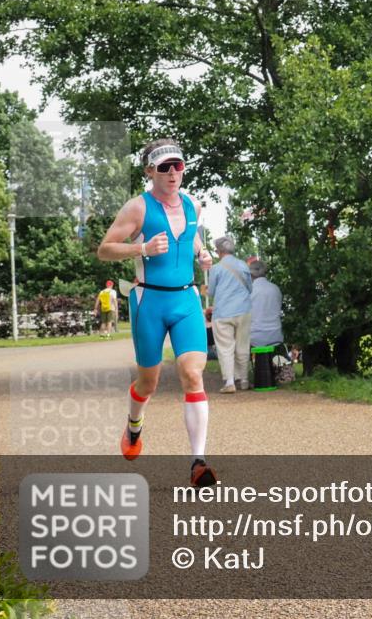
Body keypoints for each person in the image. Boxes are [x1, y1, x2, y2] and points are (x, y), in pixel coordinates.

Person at [97, 139, 216, 488]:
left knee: (192, 374)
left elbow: (192, 237)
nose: (172, 173)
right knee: (147, 381)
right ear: (150, 171)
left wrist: (202, 253)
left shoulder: (192, 203)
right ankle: (134, 426)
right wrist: (142, 248)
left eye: (177, 165)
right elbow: (105, 249)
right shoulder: (137, 207)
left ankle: (199, 462)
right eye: (164, 167)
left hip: (186, 300)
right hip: (149, 302)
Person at [209, 236, 252, 393]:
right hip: (244, 310)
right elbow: (250, 288)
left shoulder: (216, 268)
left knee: (225, 347)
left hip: (222, 312)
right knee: (243, 345)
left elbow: (212, 292)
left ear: (219, 251)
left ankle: (229, 382)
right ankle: (245, 380)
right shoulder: (243, 266)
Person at [248, 259, 293, 384]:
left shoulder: (248, 290)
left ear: (251, 274)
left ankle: (241, 378)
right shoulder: (275, 289)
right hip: (276, 334)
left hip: (254, 336)